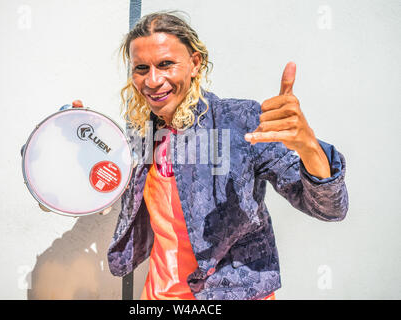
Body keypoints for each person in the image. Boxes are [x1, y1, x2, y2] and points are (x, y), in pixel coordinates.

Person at [104, 11, 348, 300]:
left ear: (195, 63)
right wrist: (80, 135)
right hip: (159, 295)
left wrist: (308, 146)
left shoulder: (239, 121)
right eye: (141, 68)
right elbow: (112, 192)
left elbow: (330, 209)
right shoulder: (143, 133)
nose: (153, 80)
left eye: (166, 64)